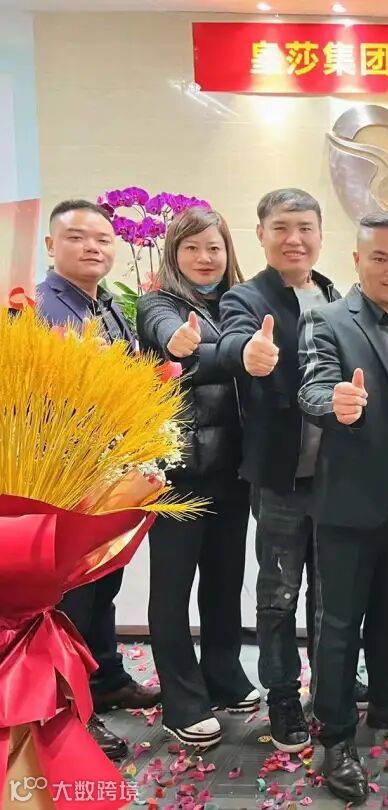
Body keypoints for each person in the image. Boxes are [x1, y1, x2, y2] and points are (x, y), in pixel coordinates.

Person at [297, 212, 388, 804]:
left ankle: (386, 699)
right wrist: (335, 402)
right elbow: (311, 386)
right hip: (350, 501)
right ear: (357, 260)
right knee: (339, 623)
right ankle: (335, 736)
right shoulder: (328, 320)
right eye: (380, 258)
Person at [218, 188, 361, 753]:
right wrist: (247, 354)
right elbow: (234, 341)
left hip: (337, 478)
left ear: (322, 235)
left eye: (305, 228)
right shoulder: (246, 298)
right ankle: (281, 695)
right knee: (279, 594)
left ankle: (330, 689)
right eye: (281, 228)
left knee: (332, 595)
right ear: (261, 235)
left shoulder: (336, 295)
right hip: (282, 477)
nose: (294, 239)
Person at [36, 199, 160, 761]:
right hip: (68, 475)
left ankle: (106, 677)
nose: (92, 247)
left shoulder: (106, 303)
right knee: (73, 598)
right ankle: (72, 711)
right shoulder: (39, 309)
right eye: (77, 237)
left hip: (113, 468)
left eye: (103, 239)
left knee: (104, 581)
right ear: (50, 246)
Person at [135, 207, 259, 748]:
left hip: (235, 468)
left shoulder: (240, 304)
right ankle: (182, 700)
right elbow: (169, 338)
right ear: (174, 254)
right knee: (172, 589)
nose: (205, 258)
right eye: (192, 248)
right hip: (179, 472)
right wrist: (185, 346)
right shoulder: (158, 303)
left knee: (226, 581)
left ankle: (223, 674)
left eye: (214, 247)